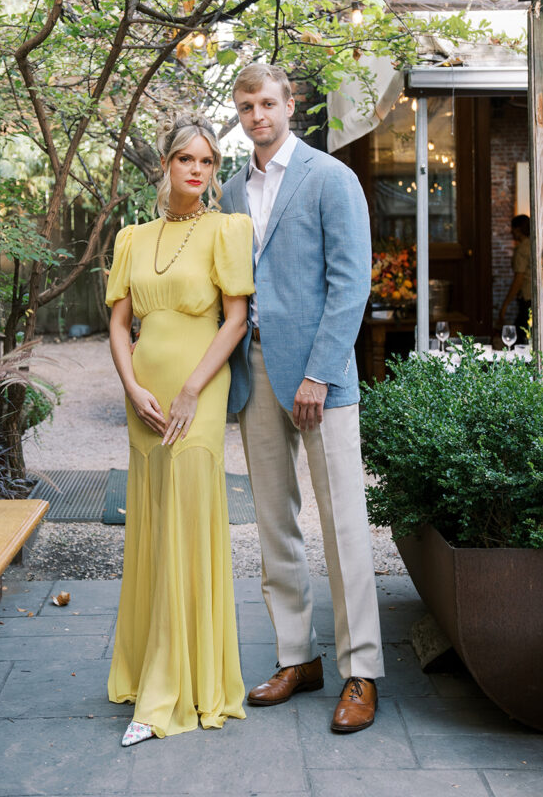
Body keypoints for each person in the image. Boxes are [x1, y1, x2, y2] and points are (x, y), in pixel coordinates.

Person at [220, 63, 384, 734]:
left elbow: (350, 284)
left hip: (322, 379)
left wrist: (317, 373)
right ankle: (298, 657)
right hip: (254, 372)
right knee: (273, 521)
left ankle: (360, 671)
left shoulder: (329, 178)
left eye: (267, 103)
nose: (257, 115)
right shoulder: (232, 188)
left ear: (290, 105)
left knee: (343, 525)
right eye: (245, 105)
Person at [104, 115, 254, 747]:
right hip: (145, 399)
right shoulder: (132, 237)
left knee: (189, 523)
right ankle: (146, 671)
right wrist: (131, 387)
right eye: (186, 159)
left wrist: (193, 385)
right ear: (165, 164)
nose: (197, 170)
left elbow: (236, 319)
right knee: (153, 526)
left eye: (209, 162)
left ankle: (178, 686)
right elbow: (118, 325)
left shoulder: (228, 229)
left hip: (200, 394)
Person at [497, 214, 531, 343]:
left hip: (527, 298)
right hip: (534, 297)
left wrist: (505, 305)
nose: (511, 231)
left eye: (513, 228)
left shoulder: (522, 249)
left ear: (518, 229)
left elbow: (519, 279)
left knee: (518, 337)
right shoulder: (534, 245)